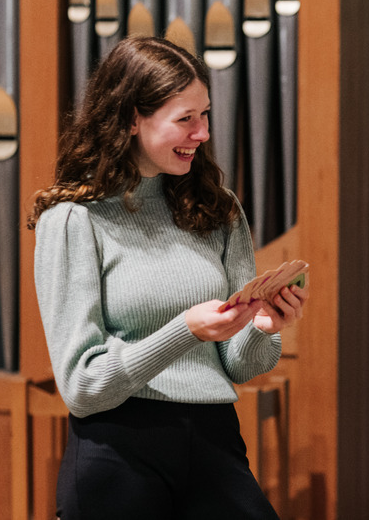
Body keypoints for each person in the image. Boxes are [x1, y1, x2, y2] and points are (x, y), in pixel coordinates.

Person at [28, 36, 307, 519]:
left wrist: (262, 328)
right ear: (132, 119)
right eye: (185, 119)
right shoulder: (74, 220)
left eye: (206, 115)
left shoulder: (218, 208)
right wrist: (185, 331)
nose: (202, 133)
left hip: (214, 439)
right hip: (116, 451)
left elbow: (239, 365)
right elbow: (81, 385)